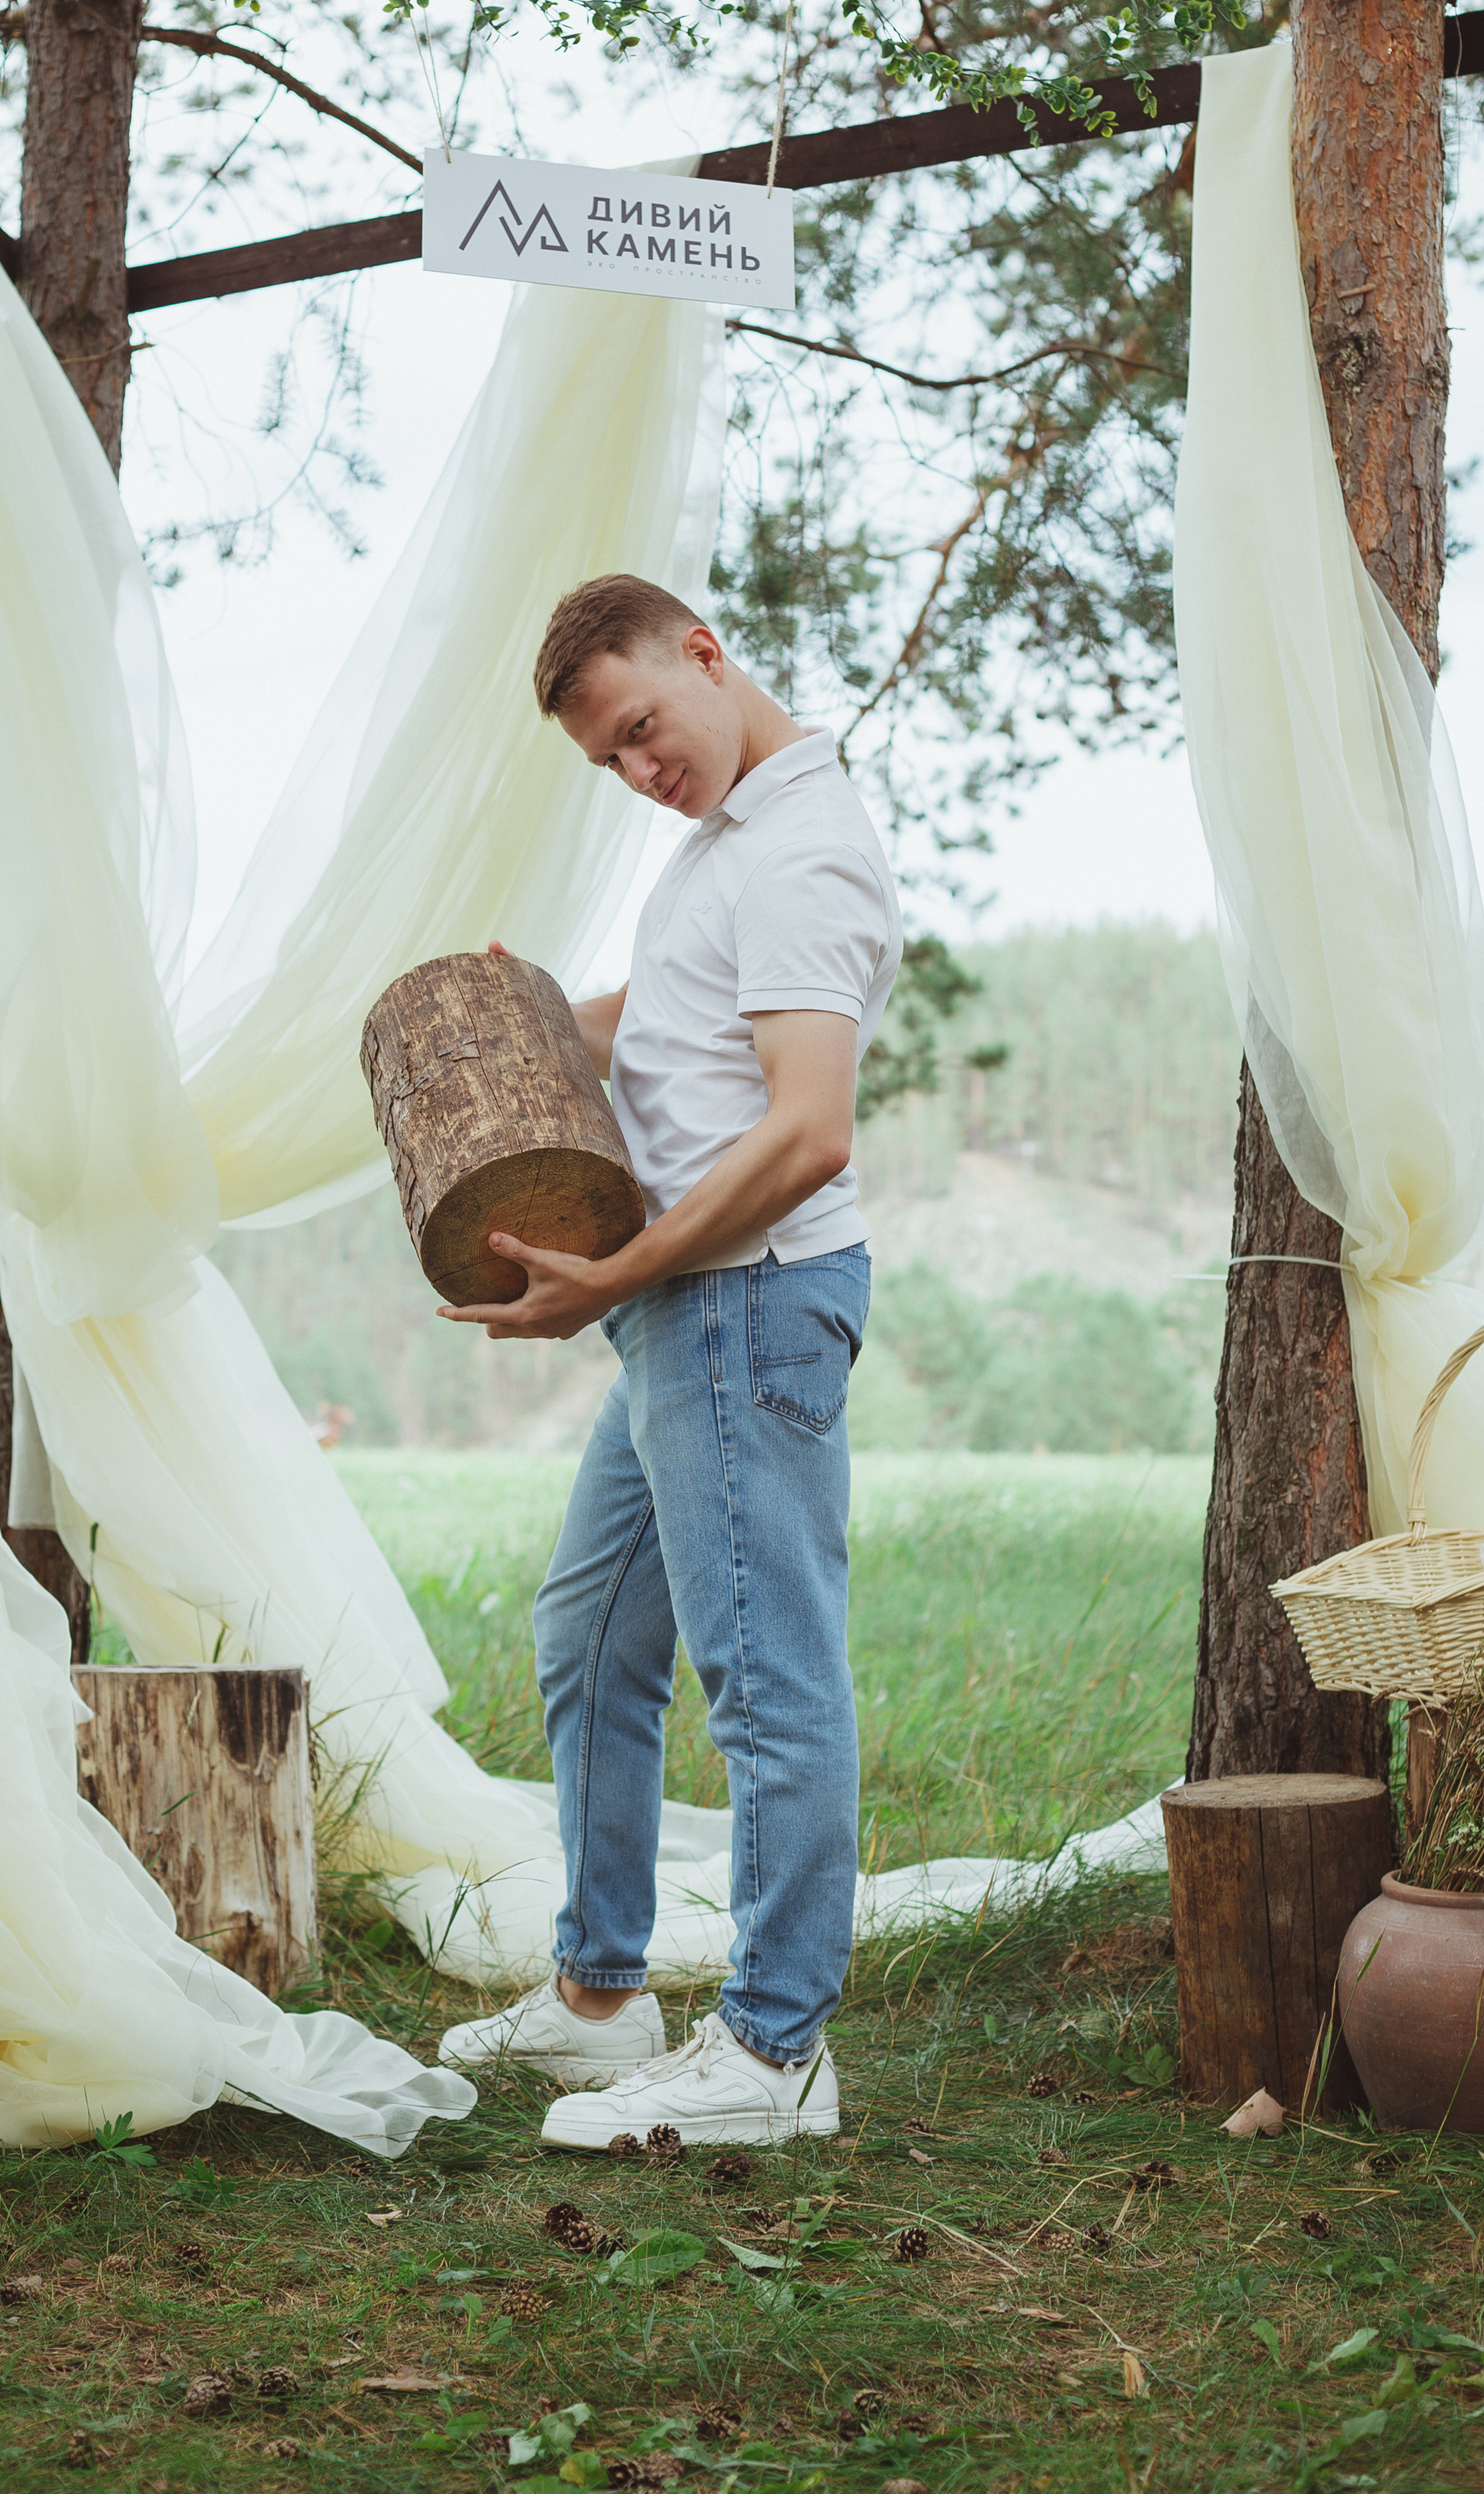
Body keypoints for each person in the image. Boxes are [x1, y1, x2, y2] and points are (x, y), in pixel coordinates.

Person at [435, 574, 902, 2148]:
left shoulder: (802, 849)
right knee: (587, 1637)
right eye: (609, 761)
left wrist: (618, 1276)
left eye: (642, 728)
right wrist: (515, 1017)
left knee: (768, 1683)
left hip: (741, 1302)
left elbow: (809, 1128)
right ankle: (601, 1998)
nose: (640, 771)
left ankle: (774, 2053)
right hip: (680, 1314)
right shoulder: (723, 847)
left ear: (704, 654)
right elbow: (665, 1019)